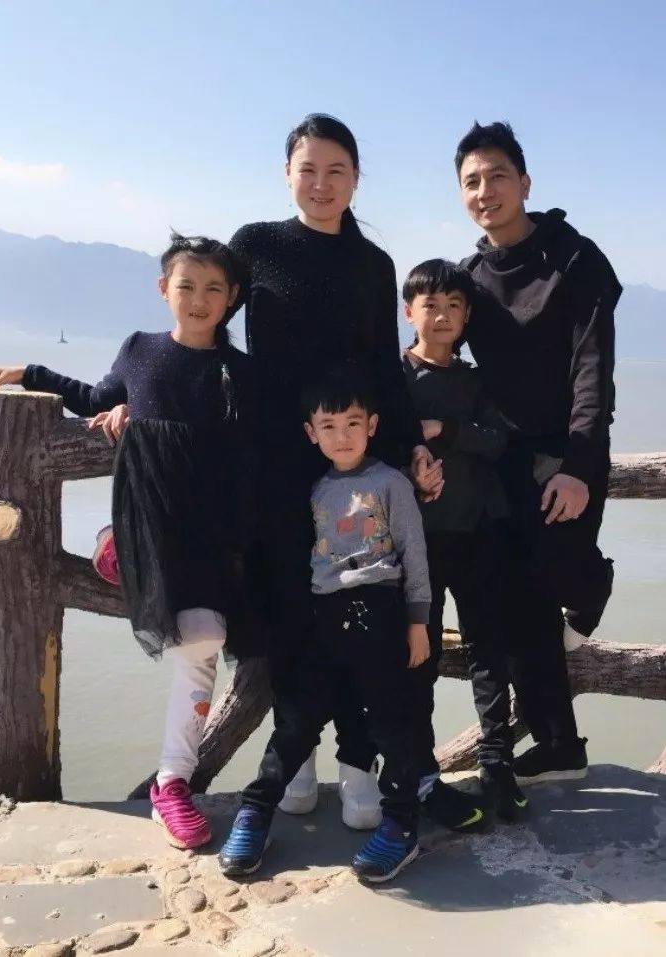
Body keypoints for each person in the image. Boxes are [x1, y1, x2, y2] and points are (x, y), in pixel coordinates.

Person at [0, 233, 265, 848]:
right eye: (186, 285)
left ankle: (171, 779)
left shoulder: (240, 372)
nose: (198, 298)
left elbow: (254, 443)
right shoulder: (140, 349)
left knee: (205, 641)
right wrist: (33, 374)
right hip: (153, 526)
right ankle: (175, 781)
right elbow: (95, 397)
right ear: (164, 289)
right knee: (197, 641)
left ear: (232, 297)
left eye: (213, 288)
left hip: (214, 535)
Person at [226, 112, 456, 829]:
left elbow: (384, 368)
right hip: (277, 459)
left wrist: (408, 450)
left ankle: (359, 770)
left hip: (357, 464)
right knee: (289, 607)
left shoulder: (372, 264)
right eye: (308, 169)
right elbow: (201, 328)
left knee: (361, 609)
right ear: (286, 174)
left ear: (356, 178)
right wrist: (131, 394)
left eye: (336, 171)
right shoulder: (254, 245)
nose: (321, 183)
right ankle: (295, 762)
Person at [455, 121, 621, 784]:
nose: (485, 191)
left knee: (558, 568)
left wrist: (578, 468)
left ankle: (594, 583)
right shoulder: (469, 277)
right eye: (471, 181)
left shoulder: (574, 259)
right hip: (501, 454)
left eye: (497, 176)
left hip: (568, 447)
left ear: (524, 183)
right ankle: (558, 745)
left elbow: (592, 369)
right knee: (519, 603)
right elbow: (435, 351)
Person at [219, 365, 428, 883]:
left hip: (379, 613)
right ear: (311, 433)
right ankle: (255, 810)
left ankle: (402, 824)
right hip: (323, 618)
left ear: (372, 425)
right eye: (328, 426)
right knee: (296, 719)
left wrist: (418, 622)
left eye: (353, 423)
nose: (342, 436)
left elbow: (414, 555)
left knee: (390, 723)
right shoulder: (314, 489)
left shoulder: (391, 483)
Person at [401, 258, 527, 820]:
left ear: (467, 315)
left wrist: (445, 431)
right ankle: (421, 771)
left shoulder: (475, 380)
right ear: (409, 311)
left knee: (488, 649)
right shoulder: (394, 378)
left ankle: (496, 762)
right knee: (419, 656)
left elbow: (498, 440)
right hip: (416, 543)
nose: (443, 315)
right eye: (431, 305)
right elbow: (375, 440)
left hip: (479, 532)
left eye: (454, 306)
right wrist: (412, 460)